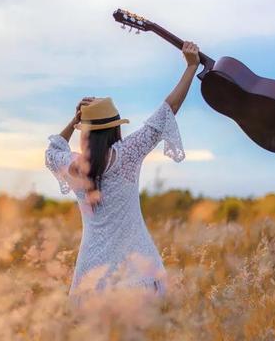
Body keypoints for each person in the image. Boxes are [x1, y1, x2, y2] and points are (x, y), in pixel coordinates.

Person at [45, 41, 200, 308]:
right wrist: (191, 66)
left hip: (91, 277)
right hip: (136, 275)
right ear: (115, 129)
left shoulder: (73, 166)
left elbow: (52, 150)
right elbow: (167, 112)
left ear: (85, 134)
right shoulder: (127, 154)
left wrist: (74, 120)